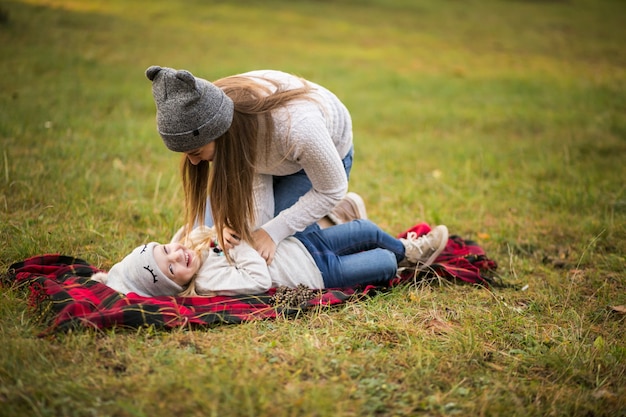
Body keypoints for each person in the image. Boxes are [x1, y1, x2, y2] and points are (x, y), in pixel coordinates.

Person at [145, 66, 357, 265]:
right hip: (265, 152)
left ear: (219, 133)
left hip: (318, 163)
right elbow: (253, 187)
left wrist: (272, 232)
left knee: (288, 247)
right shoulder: (211, 112)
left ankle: (341, 215)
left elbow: (331, 189)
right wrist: (230, 224)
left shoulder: (300, 129)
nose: (193, 162)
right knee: (216, 233)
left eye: (196, 153)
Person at [91, 221, 449, 298]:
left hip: (305, 242)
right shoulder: (209, 282)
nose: (177, 254)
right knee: (383, 265)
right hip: (320, 273)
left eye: (167, 249)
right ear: (176, 285)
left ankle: (411, 251)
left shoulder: (195, 248)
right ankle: (398, 259)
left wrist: (114, 277)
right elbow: (260, 281)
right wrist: (234, 245)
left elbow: (187, 232)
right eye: (172, 267)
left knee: (365, 229)